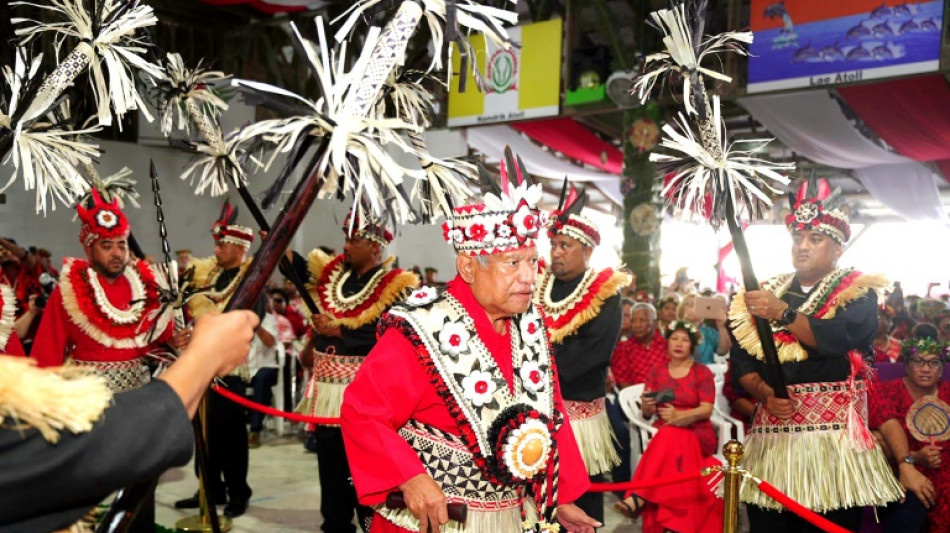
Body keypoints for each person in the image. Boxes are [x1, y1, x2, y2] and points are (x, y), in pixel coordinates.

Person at [341, 169, 598, 533]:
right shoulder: (421, 330)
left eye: (532, 261)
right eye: (513, 263)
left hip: (512, 517)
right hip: (435, 521)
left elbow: (549, 415)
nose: (529, 277)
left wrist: (560, 498)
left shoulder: (529, 327)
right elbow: (362, 412)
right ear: (467, 267)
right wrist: (409, 477)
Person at [729, 181, 903, 531]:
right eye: (797, 239)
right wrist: (764, 393)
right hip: (773, 438)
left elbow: (840, 338)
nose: (802, 247)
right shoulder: (766, 289)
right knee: (769, 522)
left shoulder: (858, 290)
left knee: (828, 523)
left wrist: (783, 314)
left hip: (832, 444)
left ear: (837, 248)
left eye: (815, 239)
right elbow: (742, 360)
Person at [0, 310, 259, 533]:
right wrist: (205, 357)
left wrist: (183, 349)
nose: (116, 251)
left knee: (141, 489)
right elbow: (43, 457)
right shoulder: (67, 289)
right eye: (106, 246)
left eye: (121, 246)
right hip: (94, 405)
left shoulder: (141, 288)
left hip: (139, 396)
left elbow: (154, 341)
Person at [293, 212, 419, 533]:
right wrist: (278, 241)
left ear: (375, 246)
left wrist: (339, 332)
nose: (345, 245)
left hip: (365, 394)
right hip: (327, 390)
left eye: (354, 239)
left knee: (361, 469)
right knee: (330, 465)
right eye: (346, 238)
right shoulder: (335, 276)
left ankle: (368, 524)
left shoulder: (394, 285)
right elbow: (297, 269)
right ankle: (334, 525)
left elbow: (392, 332)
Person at [534, 189, 628, 526]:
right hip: (537, 411)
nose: (556, 252)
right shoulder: (536, 285)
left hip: (578, 415)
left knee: (581, 501)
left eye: (565, 246)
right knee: (537, 500)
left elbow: (593, 354)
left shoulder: (605, 292)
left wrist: (539, 380)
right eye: (553, 244)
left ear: (586, 250)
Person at [175, 201, 263, 519]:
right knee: (203, 433)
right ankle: (209, 490)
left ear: (240, 248)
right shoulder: (206, 276)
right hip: (201, 367)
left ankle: (238, 492)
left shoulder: (250, 279)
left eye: (223, 243)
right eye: (216, 243)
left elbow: (249, 321)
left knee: (231, 437)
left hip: (230, 371)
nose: (217, 249)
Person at [615, 320, 722, 533]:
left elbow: (706, 410)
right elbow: (647, 414)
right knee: (669, 434)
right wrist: (646, 406)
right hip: (665, 432)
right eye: (674, 338)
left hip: (697, 433)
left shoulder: (702, 372)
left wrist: (680, 415)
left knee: (670, 433)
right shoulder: (657, 371)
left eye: (684, 339)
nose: (679, 343)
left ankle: (638, 497)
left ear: (692, 345)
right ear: (667, 342)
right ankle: (674, 524)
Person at [870, 334, 950, 533]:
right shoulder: (886, 390)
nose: (925, 368)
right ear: (906, 364)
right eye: (918, 361)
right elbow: (878, 443)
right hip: (898, 472)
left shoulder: (948, 392)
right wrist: (915, 458)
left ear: (941, 368)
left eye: (933, 363)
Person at [247, 296, 280, 449]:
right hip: (244, 368)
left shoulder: (269, 319)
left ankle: (255, 431)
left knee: (262, 379)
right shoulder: (237, 318)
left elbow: (270, 342)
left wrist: (256, 324)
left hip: (266, 367)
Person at [610, 302, 667, 389]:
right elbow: (622, 380)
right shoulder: (624, 348)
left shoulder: (666, 345)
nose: (637, 325)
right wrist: (637, 399)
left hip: (667, 395)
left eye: (642, 320)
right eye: (633, 321)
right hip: (635, 398)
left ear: (654, 323)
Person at [677, 292, 731, 365]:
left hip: (705, 372)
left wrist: (721, 327)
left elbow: (722, 351)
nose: (694, 308)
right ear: (682, 309)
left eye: (697, 305)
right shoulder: (675, 329)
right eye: (690, 304)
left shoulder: (708, 332)